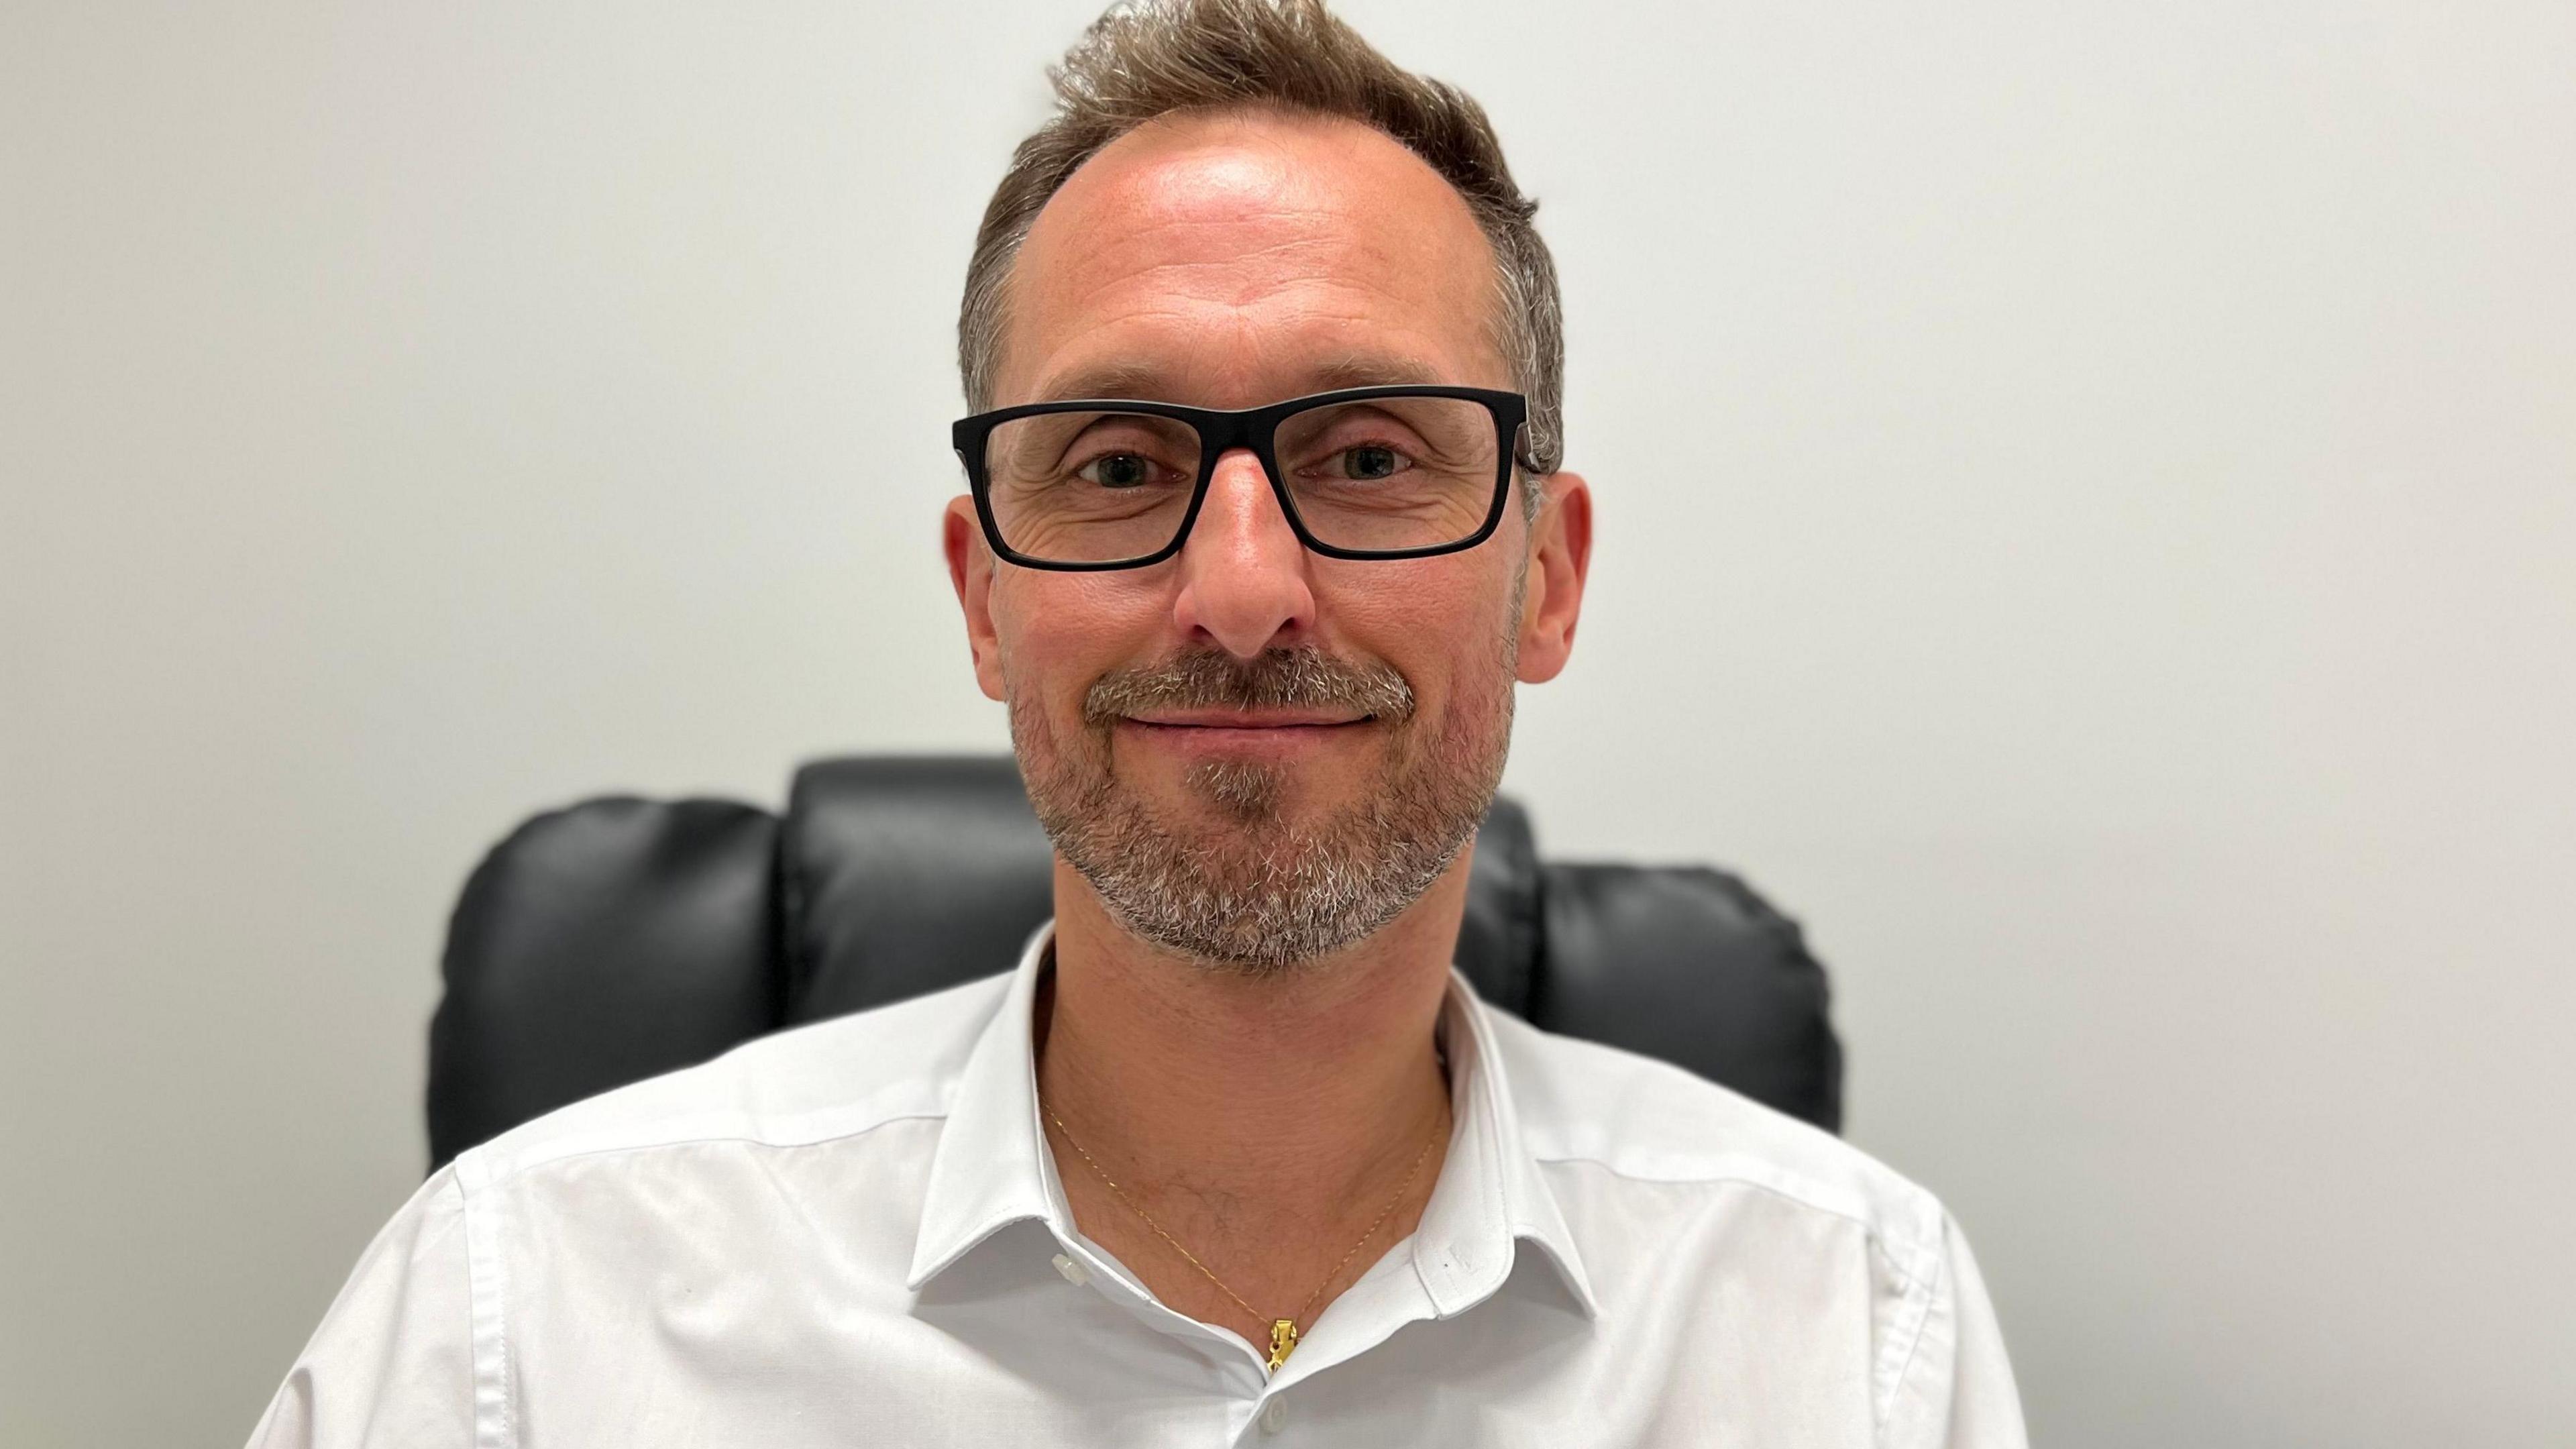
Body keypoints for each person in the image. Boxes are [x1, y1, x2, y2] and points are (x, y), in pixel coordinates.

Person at [249, 2, 2025, 1444]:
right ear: (981, 596)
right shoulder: (525, 1325)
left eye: (1370, 456)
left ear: (1545, 577)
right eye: (1118, 464)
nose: (1241, 588)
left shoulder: (1848, 1330)